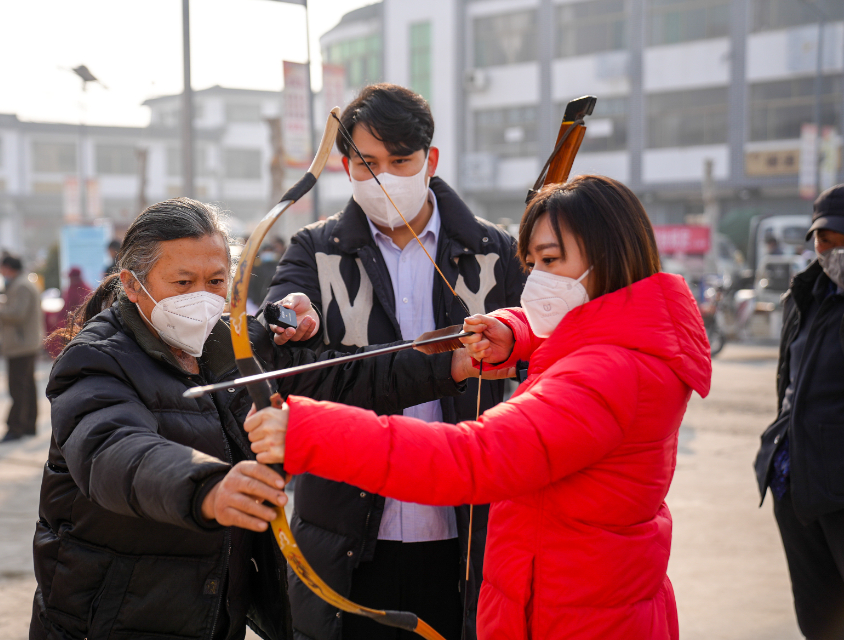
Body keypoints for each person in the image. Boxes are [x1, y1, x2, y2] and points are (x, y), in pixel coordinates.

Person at [247, 175, 713, 640]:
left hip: (576, 617)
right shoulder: (632, 336)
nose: (538, 283)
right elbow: (575, 324)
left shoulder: (607, 374)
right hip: (573, 600)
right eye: (533, 265)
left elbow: (473, 457)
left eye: (552, 260)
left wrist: (307, 432)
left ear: (609, 256)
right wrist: (514, 332)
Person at [31, 197, 492, 640]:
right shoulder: (94, 359)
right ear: (133, 285)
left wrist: (453, 363)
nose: (203, 298)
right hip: (109, 616)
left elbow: (341, 377)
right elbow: (112, 450)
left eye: (216, 281)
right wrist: (208, 488)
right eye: (182, 282)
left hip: (212, 611)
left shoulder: (232, 342)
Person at [263, 83, 524, 640]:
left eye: (400, 161)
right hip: (347, 533)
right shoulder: (314, 251)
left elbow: (535, 367)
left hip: (467, 532)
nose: (384, 177)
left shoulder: (494, 252)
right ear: (345, 166)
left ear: (430, 160)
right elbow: (300, 374)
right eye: (369, 162)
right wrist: (287, 320)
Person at [755, 183, 844, 640]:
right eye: (825, 239)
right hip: (794, 481)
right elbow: (787, 384)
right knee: (819, 615)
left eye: (843, 239)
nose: (833, 250)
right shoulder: (803, 296)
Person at [0, 255, 44, 443]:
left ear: (8, 268)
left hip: (20, 345)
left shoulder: (21, 285)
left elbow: (17, 314)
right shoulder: (24, 282)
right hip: (26, 343)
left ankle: (15, 427)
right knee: (27, 386)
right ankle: (29, 425)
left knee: (18, 388)